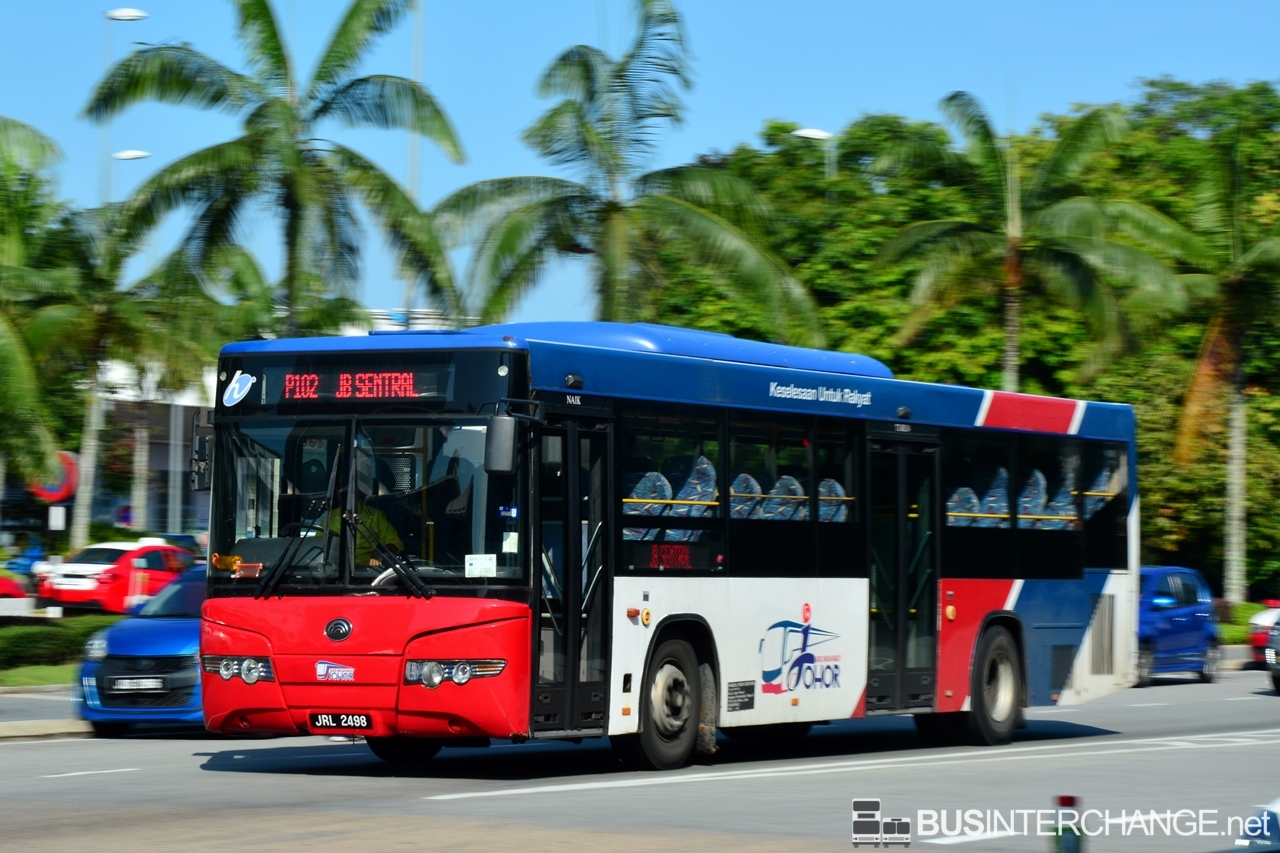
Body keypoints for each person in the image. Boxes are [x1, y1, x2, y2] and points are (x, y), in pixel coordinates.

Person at [326, 488, 403, 567]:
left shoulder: (375, 516)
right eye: (340, 489)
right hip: (335, 567)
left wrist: (381, 553)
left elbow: (395, 541)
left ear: (359, 491)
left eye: (348, 489)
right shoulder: (330, 516)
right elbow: (320, 541)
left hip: (367, 568)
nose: (344, 492)